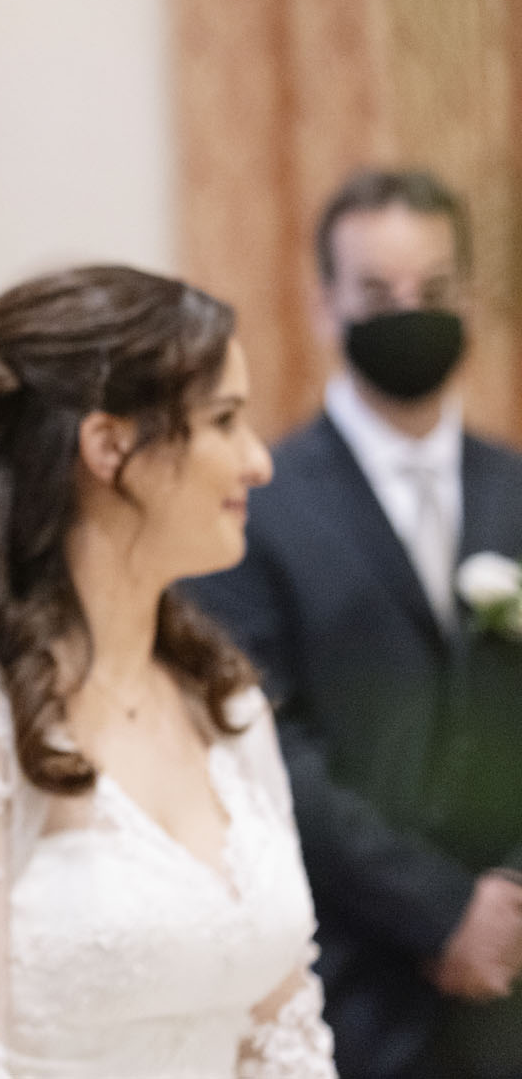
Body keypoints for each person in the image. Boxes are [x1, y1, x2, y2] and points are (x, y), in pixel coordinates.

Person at [0, 265, 336, 1078]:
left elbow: (282, 1030)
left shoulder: (222, 698)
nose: (258, 461)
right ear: (110, 445)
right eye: (226, 421)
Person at [185, 169, 522, 1079]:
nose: (408, 312)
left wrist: (510, 899)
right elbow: (266, 746)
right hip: (353, 982)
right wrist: (439, 912)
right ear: (326, 302)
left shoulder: (517, 487)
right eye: (377, 293)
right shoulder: (257, 505)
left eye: (434, 291)